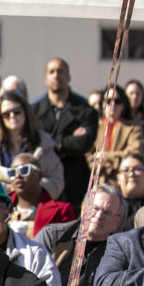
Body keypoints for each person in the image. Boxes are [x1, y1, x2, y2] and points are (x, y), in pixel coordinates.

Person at [36, 184, 126, 286]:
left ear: (118, 221)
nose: (99, 216)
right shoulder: (53, 237)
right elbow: (32, 284)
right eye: (95, 208)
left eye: (107, 212)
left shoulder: (120, 252)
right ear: (84, 207)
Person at [0, 91, 65, 199]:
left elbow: (56, 179)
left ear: (25, 112)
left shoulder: (42, 142)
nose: (12, 116)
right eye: (6, 114)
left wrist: (30, 187)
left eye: (17, 111)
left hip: (34, 208)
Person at [31, 57, 97, 207]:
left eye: (60, 71)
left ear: (68, 77)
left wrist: (51, 142)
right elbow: (34, 141)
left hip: (75, 179)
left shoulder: (85, 109)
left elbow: (83, 144)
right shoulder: (33, 111)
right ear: (45, 78)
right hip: (44, 178)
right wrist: (68, 140)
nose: (56, 75)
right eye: (51, 71)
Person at [7, 154, 76, 239]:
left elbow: (68, 247)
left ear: (39, 175)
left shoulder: (62, 211)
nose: (17, 175)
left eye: (24, 170)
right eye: (12, 172)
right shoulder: (0, 207)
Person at [87, 86, 143, 187]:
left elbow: (134, 152)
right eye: (108, 101)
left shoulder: (133, 127)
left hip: (122, 185)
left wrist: (103, 156)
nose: (112, 104)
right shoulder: (94, 126)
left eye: (117, 101)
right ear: (103, 103)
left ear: (123, 104)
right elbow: (88, 157)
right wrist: (114, 161)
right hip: (97, 185)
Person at [116, 154, 144, 231]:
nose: (131, 174)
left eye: (138, 169)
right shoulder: (111, 206)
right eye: (125, 170)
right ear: (118, 178)